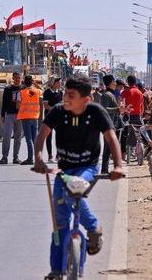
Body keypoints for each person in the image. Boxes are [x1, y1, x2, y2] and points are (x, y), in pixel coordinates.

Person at [32, 76, 124, 279]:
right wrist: (38, 158)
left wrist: (117, 166)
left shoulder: (96, 112)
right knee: (60, 224)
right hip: (63, 169)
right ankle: (56, 269)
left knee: (74, 188)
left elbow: (111, 138)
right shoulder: (57, 112)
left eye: (71, 95)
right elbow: (42, 136)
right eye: (65, 93)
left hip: (87, 168)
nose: (66, 98)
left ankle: (92, 227)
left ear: (87, 98)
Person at [17, 75, 43, 165]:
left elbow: (17, 105)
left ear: (24, 82)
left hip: (25, 118)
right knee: (34, 139)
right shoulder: (37, 91)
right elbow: (42, 89)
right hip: (35, 117)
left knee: (29, 140)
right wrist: (35, 83)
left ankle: (30, 159)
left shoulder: (21, 92)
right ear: (31, 82)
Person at [0, 72, 23, 164]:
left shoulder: (23, 89)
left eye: (19, 77)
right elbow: (4, 103)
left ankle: (16, 158)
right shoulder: (8, 89)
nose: (17, 79)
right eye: (16, 77)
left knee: (18, 137)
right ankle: (4, 157)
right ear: (13, 78)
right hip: (9, 115)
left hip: (21, 116)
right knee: (7, 136)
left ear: (21, 78)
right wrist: (2, 115)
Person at [99, 74, 121, 173]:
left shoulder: (111, 94)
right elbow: (104, 109)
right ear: (110, 83)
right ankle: (104, 169)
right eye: (114, 81)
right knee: (108, 147)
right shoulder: (106, 95)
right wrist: (117, 109)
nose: (115, 83)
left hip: (112, 124)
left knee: (110, 147)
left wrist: (121, 109)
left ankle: (105, 169)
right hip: (108, 125)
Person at [119, 75, 144, 156]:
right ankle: (137, 147)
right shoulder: (140, 92)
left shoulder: (126, 91)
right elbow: (142, 106)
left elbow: (120, 100)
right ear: (135, 82)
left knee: (123, 133)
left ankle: (123, 152)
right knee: (138, 132)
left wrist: (121, 108)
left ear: (128, 82)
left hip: (127, 115)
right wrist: (141, 114)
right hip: (137, 115)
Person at [42, 77, 63, 163]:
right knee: (49, 137)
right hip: (49, 117)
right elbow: (46, 106)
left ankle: (58, 155)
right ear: (54, 83)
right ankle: (50, 156)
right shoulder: (47, 92)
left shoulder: (60, 92)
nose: (60, 84)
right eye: (59, 82)